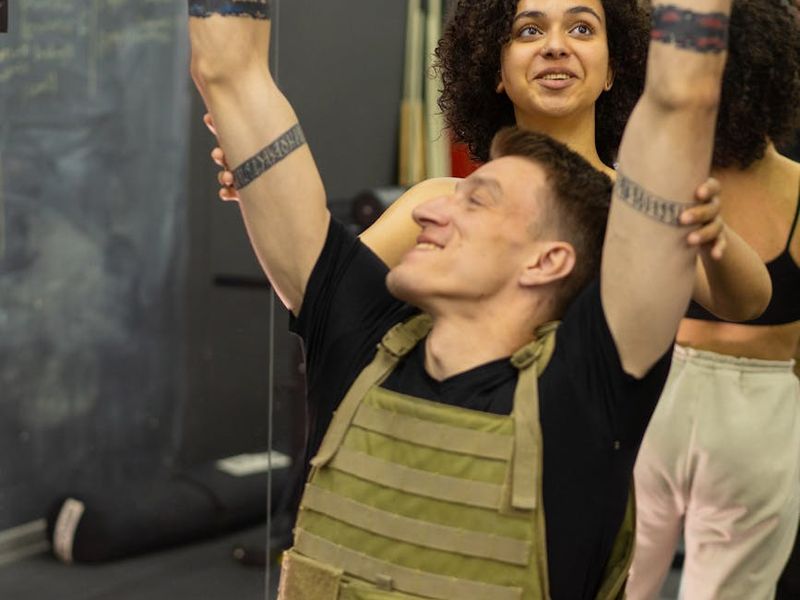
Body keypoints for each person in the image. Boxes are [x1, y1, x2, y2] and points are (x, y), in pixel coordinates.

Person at [187, 0, 736, 597]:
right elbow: (229, 69)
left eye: (477, 200)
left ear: (547, 259)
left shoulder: (581, 401)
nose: (428, 206)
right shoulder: (355, 340)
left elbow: (682, 95)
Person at [206, 0, 770, 324]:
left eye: (581, 28)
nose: (555, 47)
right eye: (529, 31)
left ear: (613, 69)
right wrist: (263, 181)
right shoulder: (438, 204)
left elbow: (745, 302)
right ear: (495, 72)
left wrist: (709, 232)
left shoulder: (639, 206)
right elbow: (320, 293)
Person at [626, 2, 800, 598]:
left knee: (611, 576)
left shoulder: (651, 172)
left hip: (655, 390)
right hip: (760, 408)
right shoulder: (797, 191)